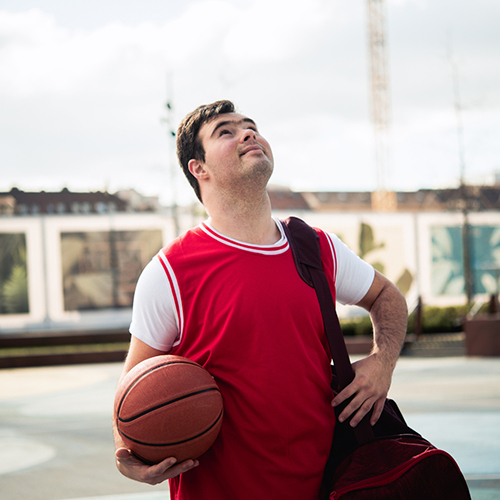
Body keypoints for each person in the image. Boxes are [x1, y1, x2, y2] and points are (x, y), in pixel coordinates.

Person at [113, 100, 408, 500]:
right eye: (226, 131)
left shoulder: (317, 247)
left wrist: (382, 363)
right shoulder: (170, 272)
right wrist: (126, 450)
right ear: (198, 168)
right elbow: (134, 384)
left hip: (326, 486)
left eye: (250, 126)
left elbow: (388, 297)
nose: (248, 133)